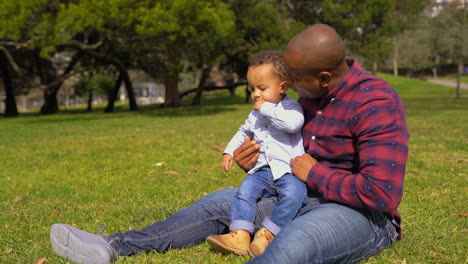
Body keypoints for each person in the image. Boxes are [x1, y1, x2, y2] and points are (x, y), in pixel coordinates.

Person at [50, 24, 409, 264]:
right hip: (294, 194)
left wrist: (315, 174)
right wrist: (253, 160)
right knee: (218, 202)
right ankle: (113, 246)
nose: (289, 87)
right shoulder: (308, 96)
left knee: (293, 244)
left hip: (359, 215)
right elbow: (283, 149)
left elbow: (382, 194)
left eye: (295, 80)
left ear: (325, 77)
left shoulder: (375, 102)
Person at [206, 51, 307, 257]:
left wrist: (267, 108)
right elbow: (243, 131)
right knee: (244, 192)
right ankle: (240, 235)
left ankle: (267, 235)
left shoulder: (290, 107)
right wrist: (229, 152)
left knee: (296, 194)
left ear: (283, 87)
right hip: (262, 169)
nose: (255, 94)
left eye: (262, 88)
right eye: (252, 89)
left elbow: (293, 124)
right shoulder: (255, 113)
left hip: (288, 170)